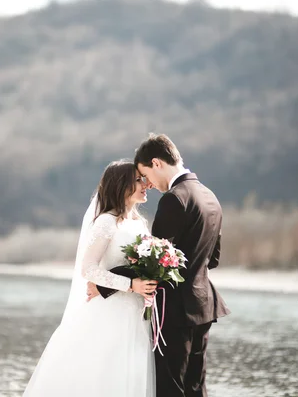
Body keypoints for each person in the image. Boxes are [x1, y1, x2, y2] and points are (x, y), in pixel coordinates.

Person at [91, 134, 231, 397]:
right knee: (196, 386)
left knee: (170, 386)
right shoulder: (210, 196)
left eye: (146, 176)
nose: (149, 185)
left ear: (156, 163)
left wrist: (105, 283)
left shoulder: (175, 199)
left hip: (175, 308)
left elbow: (155, 260)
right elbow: (213, 259)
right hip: (204, 304)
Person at [23, 159, 157, 397]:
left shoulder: (139, 223)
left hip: (135, 312)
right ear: (121, 185)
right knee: (104, 371)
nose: (145, 184)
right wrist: (130, 285)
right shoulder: (106, 221)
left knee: (129, 372)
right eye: (138, 180)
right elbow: (89, 269)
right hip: (110, 310)